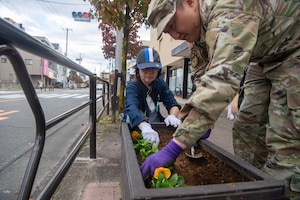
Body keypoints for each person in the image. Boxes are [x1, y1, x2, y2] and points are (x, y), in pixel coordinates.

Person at [142, 0, 300, 198]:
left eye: (173, 23)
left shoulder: (228, 9)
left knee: (285, 139)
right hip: (264, 58)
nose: (174, 35)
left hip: (294, 50)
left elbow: (221, 81)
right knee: (248, 127)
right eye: (167, 31)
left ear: (190, 2)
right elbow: (203, 80)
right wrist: (195, 123)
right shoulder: (197, 34)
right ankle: (257, 188)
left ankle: (286, 192)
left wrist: (175, 146)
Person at [123, 48, 182, 146]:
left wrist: (172, 115)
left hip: (155, 123)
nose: (149, 72)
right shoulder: (132, 86)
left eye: (153, 69)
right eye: (145, 69)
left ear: (158, 70)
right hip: (135, 124)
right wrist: (144, 126)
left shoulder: (160, 83)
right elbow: (131, 106)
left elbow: (172, 102)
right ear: (138, 69)